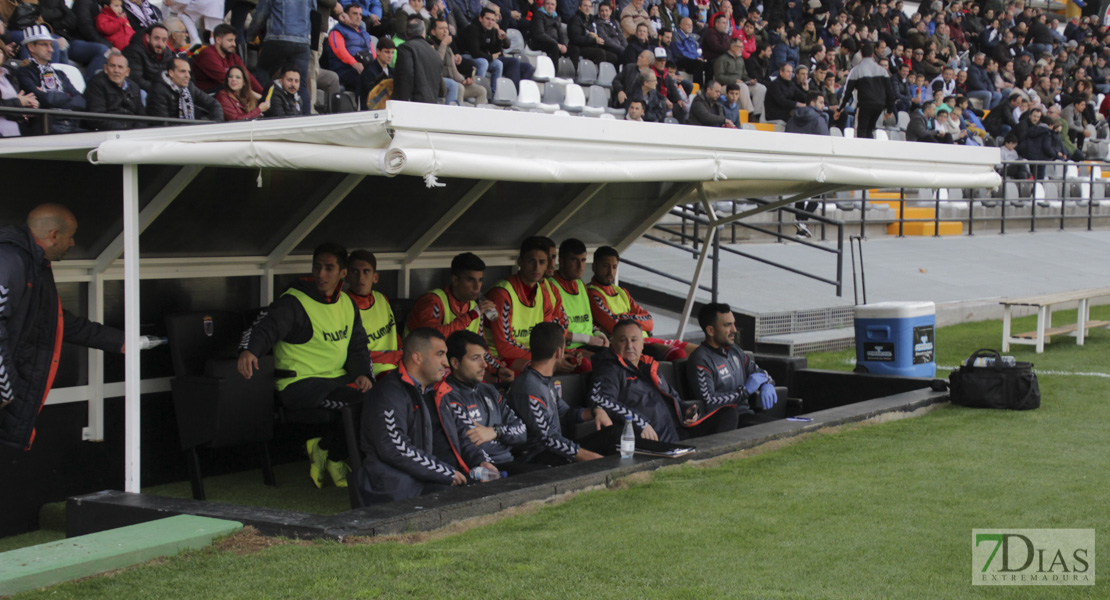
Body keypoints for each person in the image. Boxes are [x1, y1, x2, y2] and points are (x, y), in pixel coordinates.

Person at [238, 242, 373, 488]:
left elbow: (358, 346)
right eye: (317, 267)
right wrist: (249, 351)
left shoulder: (346, 303)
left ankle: (328, 452)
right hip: (301, 384)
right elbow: (264, 328)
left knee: (379, 399)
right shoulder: (293, 302)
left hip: (337, 380)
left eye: (329, 268)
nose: (321, 274)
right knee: (359, 404)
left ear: (343, 272)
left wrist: (363, 373)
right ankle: (334, 456)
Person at [0, 204, 125, 450]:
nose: (73, 243)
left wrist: (119, 341)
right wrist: (5, 388)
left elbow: (53, 321)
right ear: (54, 235)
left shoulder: (34, 264)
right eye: (70, 236)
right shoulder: (10, 261)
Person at [356, 328, 468, 505]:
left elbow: (462, 434)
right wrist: (443, 471)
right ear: (417, 358)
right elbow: (394, 448)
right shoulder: (388, 393)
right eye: (440, 354)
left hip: (423, 481)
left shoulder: (434, 391)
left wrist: (480, 461)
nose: (446, 363)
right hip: (394, 491)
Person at [589, 319, 731, 443]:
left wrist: (686, 410)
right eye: (622, 340)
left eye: (634, 340)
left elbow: (673, 397)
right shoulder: (609, 368)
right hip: (650, 437)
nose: (629, 346)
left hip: (678, 431)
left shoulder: (649, 366)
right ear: (612, 343)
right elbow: (602, 400)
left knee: (728, 414)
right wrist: (640, 423)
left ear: (643, 344)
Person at [431, 331, 543, 476]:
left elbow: (521, 432)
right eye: (475, 358)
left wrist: (495, 432)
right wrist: (504, 438)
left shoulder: (489, 390)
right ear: (455, 363)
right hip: (486, 469)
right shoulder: (448, 395)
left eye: (484, 358)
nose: (484, 364)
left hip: (510, 461)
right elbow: (473, 444)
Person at [508, 322, 609, 465]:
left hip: (555, 450)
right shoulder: (529, 387)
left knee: (613, 435)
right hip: (536, 458)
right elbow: (549, 438)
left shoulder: (543, 380)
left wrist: (595, 411)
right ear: (559, 352)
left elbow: (566, 414)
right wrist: (589, 457)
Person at [587, 246, 695, 361]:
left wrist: (623, 317)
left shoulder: (621, 291)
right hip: (630, 345)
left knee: (697, 351)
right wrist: (633, 318)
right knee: (677, 354)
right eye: (605, 266)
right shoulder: (592, 292)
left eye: (614, 267)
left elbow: (649, 321)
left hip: (647, 339)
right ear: (594, 267)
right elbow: (614, 325)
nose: (610, 272)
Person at [486, 237, 576, 375]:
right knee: (535, 371)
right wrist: (549, 359)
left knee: (580, 365)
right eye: (531, 261)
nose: (537, 267)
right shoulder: (502, 293)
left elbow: (548, 336)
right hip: (500, 357)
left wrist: (562, 355)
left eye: (542, 262)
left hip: (533, 355)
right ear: (520, 262)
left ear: (547, 265)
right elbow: (504, 347)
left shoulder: (543, 293)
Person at [686, 303, 780, 429]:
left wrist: (767, 383)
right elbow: (708, 401)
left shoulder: (735, 351)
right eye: (727, 325)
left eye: (733, 323)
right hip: (722, 424)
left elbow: (760, 373)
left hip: (746, 416)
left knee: (784, 426)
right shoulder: (701, 359)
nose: (734, 330)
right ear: (710, 330)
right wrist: (744, 391)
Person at [247, 0, 314, 115]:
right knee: (301, 84)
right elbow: (314, 14)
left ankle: (264, 110)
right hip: (303, 41)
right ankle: (306, 118)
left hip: (277, 38)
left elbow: (261, 14)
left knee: (263, 70)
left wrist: (251, 35)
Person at [17, 26, 86, 134]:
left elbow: (81, 102)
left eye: (51, 45)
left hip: (71, 124)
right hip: (47, 126)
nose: (51, 49)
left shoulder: (60, 73)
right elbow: (45, 100)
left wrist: (55, 98)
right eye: (44, 44)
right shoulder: (24, 72)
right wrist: (67, 96)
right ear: (31, 47)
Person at [344, 250, 402, 377]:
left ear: (375, 277)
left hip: (397, 363)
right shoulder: (342, 305)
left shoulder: (381, 298)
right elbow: (347, 352)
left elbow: (394, 333)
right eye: (355, 272)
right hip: (369, 369)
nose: (361, 278)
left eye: (366, 271)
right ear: (347, 276)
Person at [547, 238, 609, 351]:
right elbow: (552, 331)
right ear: (561, 261)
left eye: (583, 260)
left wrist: (597, 332)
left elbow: (586, 322)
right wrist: (587, 339)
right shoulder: (550, 287)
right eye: (574, 260)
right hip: (568, 349)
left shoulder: (581, 285)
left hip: (589, 346)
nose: (580, 266)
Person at [835, 42, 894, 139]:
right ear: (872, 54)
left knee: (861, 129)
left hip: (865, 104)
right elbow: (890, 92)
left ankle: (861, 151)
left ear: (861, 54)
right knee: (870, 129)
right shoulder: (882, 71)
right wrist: (890, 110)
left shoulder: (856, 70)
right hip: (879, 105)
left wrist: (840, 108)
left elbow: (847, 92)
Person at [326, 3, 378, 108]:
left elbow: (372, 53)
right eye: (354, 13)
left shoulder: (365, 34)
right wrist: (354, 63)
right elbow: (339, 51)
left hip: (364, 68)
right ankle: (363, 109)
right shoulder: (337, 31)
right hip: (345, 69)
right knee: (363, 79)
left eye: (360, 14)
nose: (358, 17)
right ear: (346, 15)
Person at [84, 50, 146, 131]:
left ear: (127, 72)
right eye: (112, 66)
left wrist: (135, 132)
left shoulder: (134, 87)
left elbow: (142, 117)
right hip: (107, 134)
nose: (116, 70)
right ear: (105, 68)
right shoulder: (96, 84)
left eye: (120, 67)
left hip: (131, 135)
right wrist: (124, 131)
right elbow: (97, 118)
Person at [193, 23, 263, 95]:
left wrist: (263, 94)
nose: (234, 44)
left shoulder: (232, 55)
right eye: (230, 40)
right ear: (218, 40)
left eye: (234, 40)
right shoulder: (207, 54)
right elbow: (226, 80)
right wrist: (255, 95)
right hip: (208, 94)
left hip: (227, 91)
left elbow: (246, 75)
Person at [147, 57, 224, 122]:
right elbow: (163, 124)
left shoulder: (189, 87)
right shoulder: (158, 91)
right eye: (182, 71)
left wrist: (213, 125)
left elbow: (214, 104)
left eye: (189, 72)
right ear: (171, 73)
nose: (188, 76)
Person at [393, 18, 443, 103]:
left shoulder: (406, 48)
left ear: (406, 33)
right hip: (432, 104)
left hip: (413, 105)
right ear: (423, 32)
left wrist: (400, 102)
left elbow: (406, 76)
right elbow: (441, 89)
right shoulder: (435, 54)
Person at [122, 23, 175, 94]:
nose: (160, 44)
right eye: (156, 38)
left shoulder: (167, 54)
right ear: (147, 38)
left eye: (164, 40)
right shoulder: (134, 51)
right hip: (138, 92)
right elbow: (136, 79)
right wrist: (159, 89)